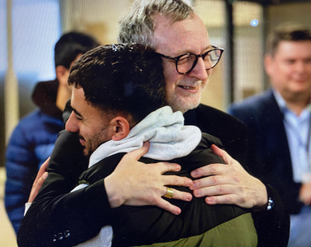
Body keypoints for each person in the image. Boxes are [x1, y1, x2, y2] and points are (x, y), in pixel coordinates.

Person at [18, 1, 289, 246]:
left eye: (206, 54)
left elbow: (271, 238)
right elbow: (35, 234)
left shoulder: (228, 130)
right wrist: (110, 192)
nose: (202, 72)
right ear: (140, 61)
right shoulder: (87, 127)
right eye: (183, 58)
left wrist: (264, 198)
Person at [65, 43, 257, 246]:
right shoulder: (222, 162)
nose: (69, 125)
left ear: (119, 129)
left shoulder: (98, 196)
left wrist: (36, 203)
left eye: (79, 116)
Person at [228, 23, 311, 247]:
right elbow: (244, 177)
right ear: (269, 64)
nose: (300, 69)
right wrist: (301, 192)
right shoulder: (244, 116)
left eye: (307, 60)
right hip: (273, 217)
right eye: (291, 61)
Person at [4, 31, 99, 233]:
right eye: (83, 68)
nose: (92, 78)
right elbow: (15, 200)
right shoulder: (27, 131)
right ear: (62, 73)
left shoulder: (99, 123)